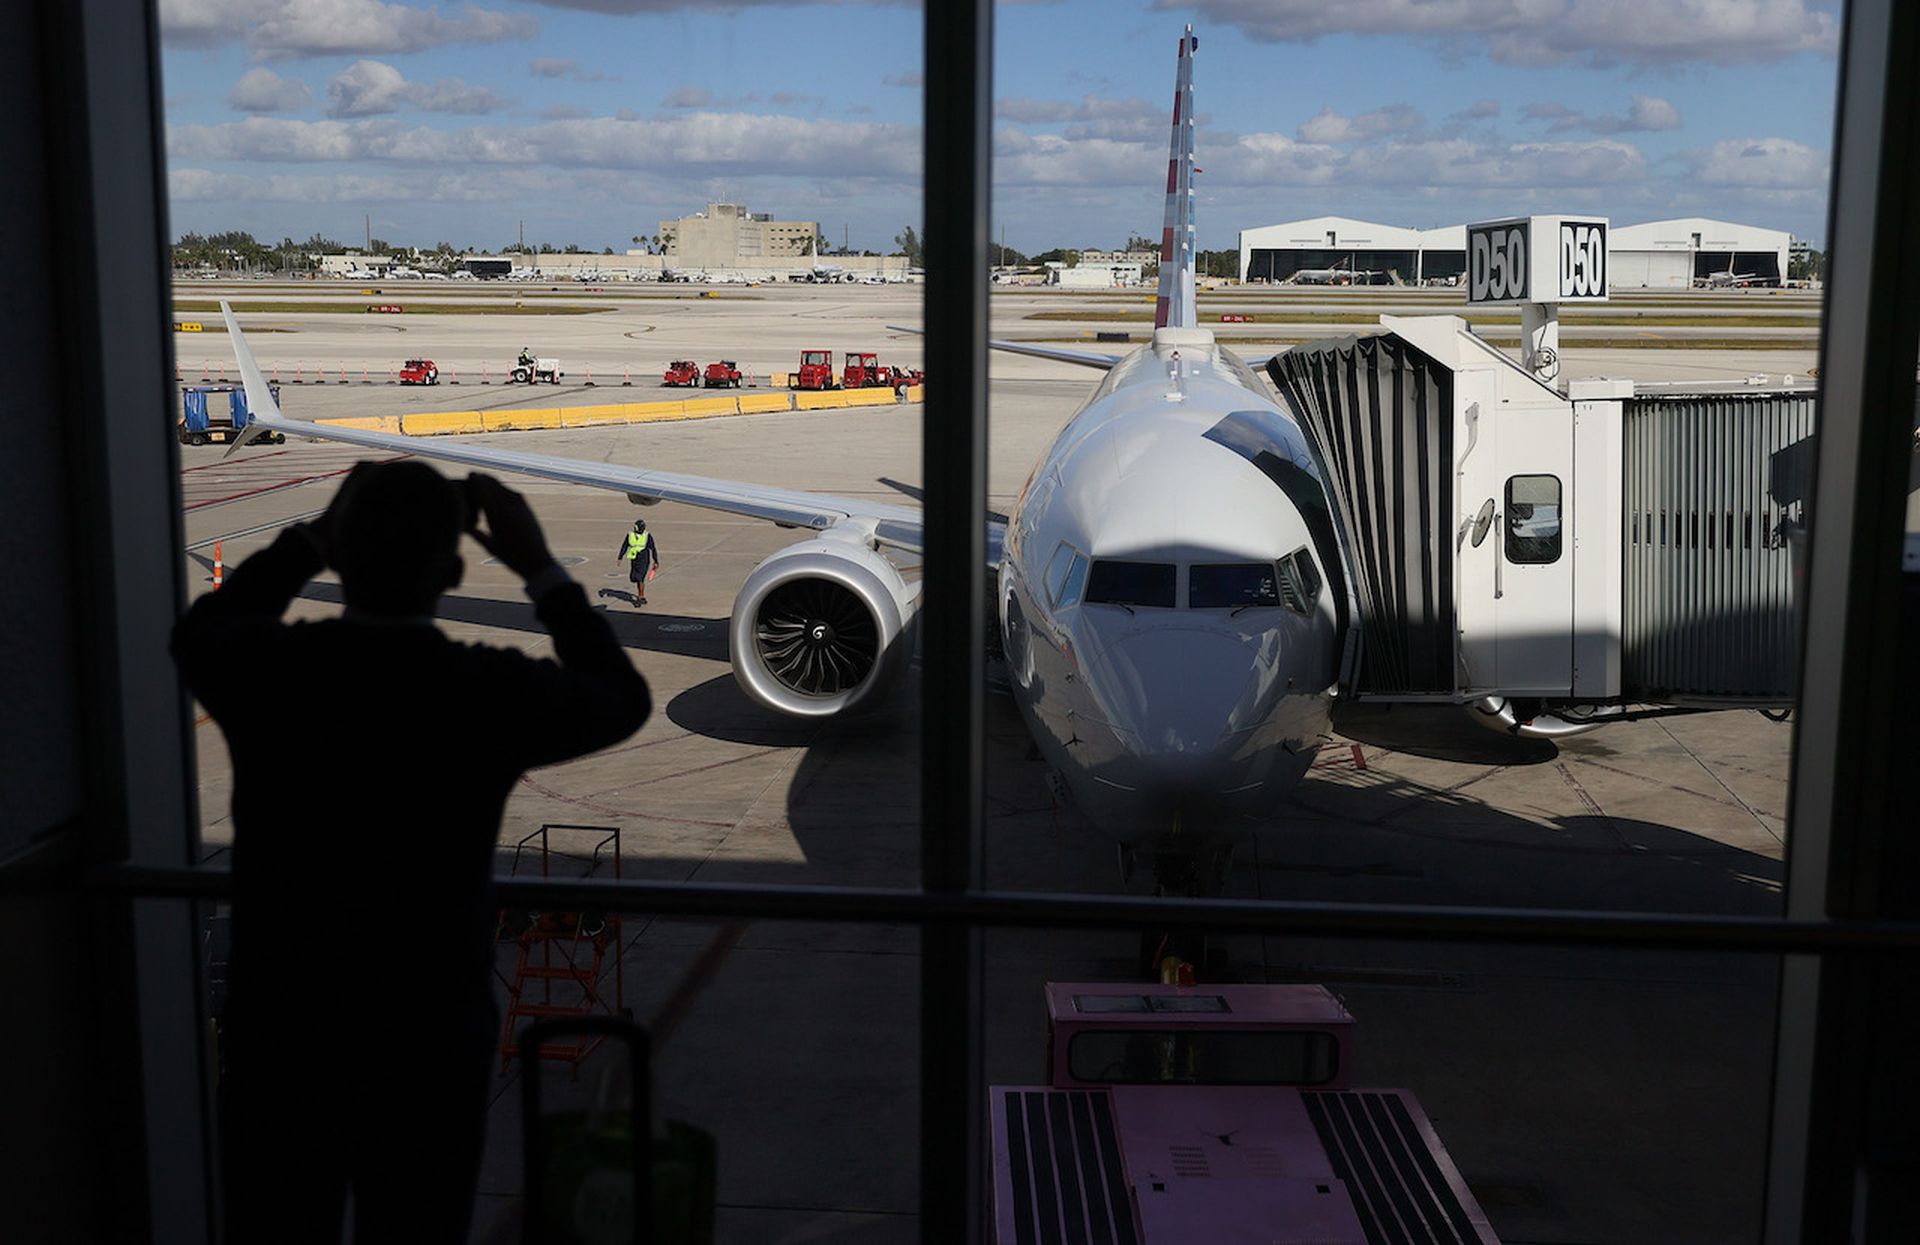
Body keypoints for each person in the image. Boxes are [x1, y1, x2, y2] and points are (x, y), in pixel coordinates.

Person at [172, 462, 650, 1244]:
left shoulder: (278, 674)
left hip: (286, 1033)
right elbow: (621, 696)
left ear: (342, 556)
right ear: (456, 570)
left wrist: (309, 540)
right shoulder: (477, 691)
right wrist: (538, 567)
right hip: (427, 1039)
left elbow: (199, 633)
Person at [617, 517, 661, 607]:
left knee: (640, 578)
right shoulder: (630, 535)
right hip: (634, 559)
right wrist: (620, 557)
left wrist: (655, 560)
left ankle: (640, 597)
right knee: (634, 578)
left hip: (644, 559)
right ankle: (641, 595)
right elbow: (624, 546)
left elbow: (653, 548)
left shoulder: (647, 536)